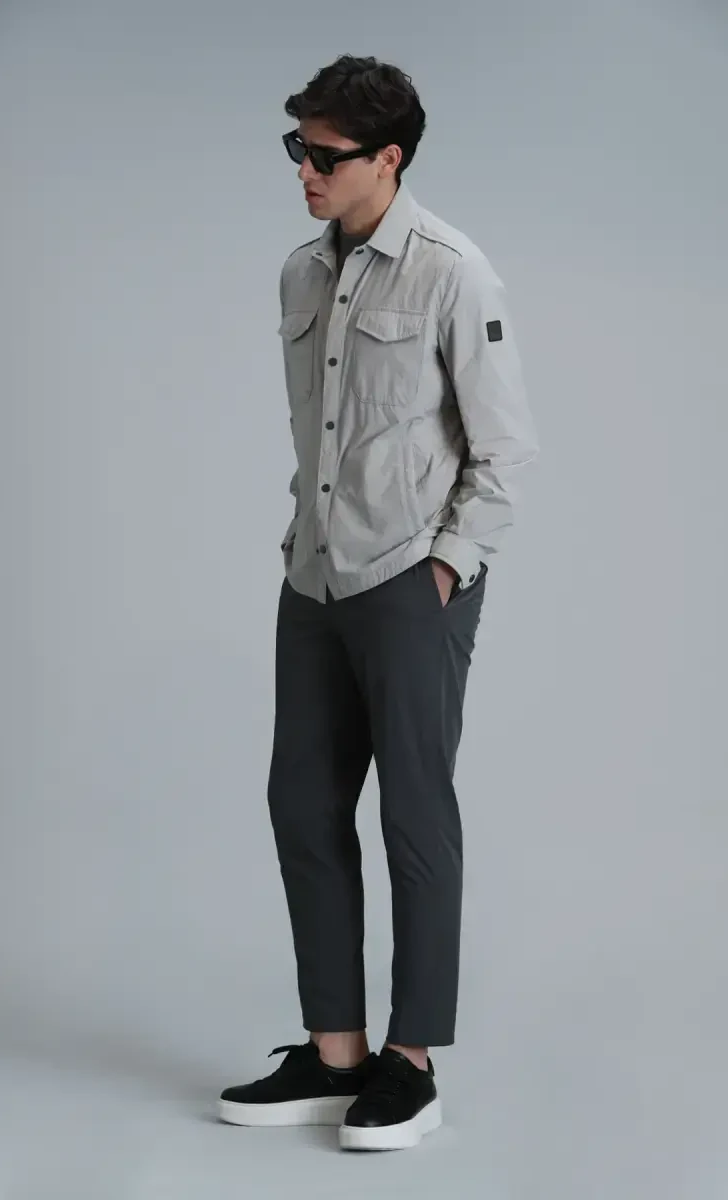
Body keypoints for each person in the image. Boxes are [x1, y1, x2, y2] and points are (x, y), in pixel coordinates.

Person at [218, 54, 539, 1152]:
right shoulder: (299, 275)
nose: (303, 171)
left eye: (324, 154)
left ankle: (411, 1065)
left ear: (387, 159)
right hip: (313, 579)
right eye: (296, 149)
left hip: (410, 581)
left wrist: (444, 568)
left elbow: (504, 452)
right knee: (302, 806)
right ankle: (336, 1052)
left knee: (413, 813)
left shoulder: (454, 273)